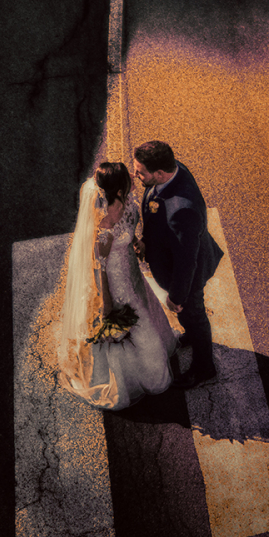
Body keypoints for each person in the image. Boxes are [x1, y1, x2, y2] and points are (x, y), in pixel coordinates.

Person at [56, 161, 177, 409]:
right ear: (119, 190)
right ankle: (144, 377)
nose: (134, 178)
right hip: (116, 282)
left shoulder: (129, 204)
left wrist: (137, 245)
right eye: (127, 179)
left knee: (146, 309)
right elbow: (98, 267)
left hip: (131, 272)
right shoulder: (104, 229)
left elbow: (131, 230)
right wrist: (106, 302)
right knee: (138, 326)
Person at [133, 141, 223, 388]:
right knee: (189, 319)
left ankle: (205, 368)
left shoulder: (182, 210)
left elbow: (186, 262)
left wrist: (176, 296)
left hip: (187, 278)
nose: (136, 175)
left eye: (140, 172)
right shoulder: (174, 170)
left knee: (194, 314)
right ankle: (192, 336)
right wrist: (146, 242)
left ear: (159, 174)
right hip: (173, 261)